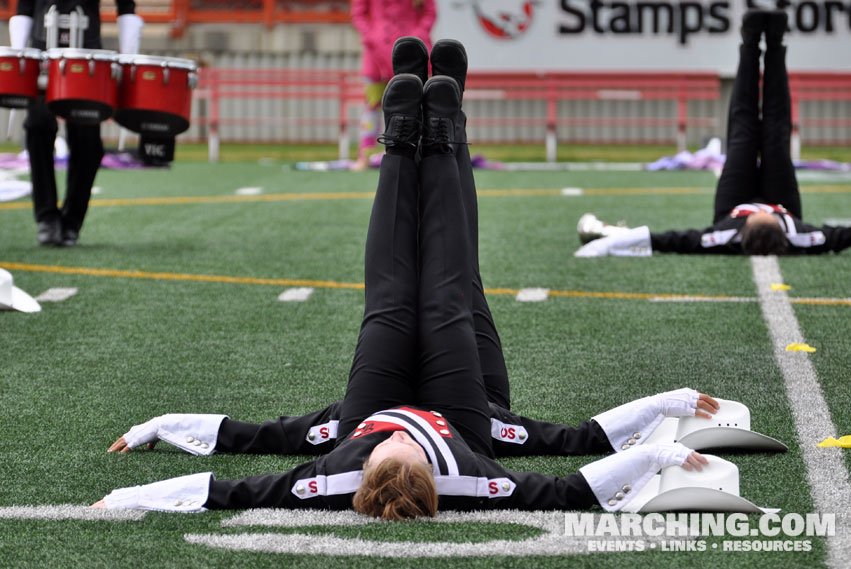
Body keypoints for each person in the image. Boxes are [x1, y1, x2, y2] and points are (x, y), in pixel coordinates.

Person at [93, 41, 710, 518]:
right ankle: (445, 129)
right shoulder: (470, 475)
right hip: (468, 415)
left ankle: (401, 138)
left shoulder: (332, 474)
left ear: (365, 461)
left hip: (365, 405)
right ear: (429, 462)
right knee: (451, 294)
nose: (400, 431)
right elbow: (573, 471)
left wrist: (154, 445)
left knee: (389, 305)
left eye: (383, 445)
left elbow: (233, 474)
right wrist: (662, 427)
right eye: (402, 443)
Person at [574, 10, 851, 258]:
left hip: (733, 203)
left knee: (743, 131)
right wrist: (779, 211)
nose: (762, 209)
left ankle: (751, 41)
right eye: (771, 216)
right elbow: (843, 236)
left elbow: (668, 241)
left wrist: (603, 246)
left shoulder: (721, 236)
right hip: (784, 199)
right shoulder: (805, 237)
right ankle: (776, 42)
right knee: (776, 133)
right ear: (783, 228)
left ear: (742, 231)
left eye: (758, 216)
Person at [9, 0, 143, 247]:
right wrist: (19, 57)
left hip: (88, 55)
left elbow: (126, 5)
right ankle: (47, 218)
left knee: (87, 140)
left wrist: (128, 60)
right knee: (37, 126)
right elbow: (25, 7)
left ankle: (72, 221)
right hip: (41, 51)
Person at [349, 0, 436, 171]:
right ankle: (365, 156)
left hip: (413, 48)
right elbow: (358, 14)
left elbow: (430, 13)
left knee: (421, 105)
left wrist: (418, 35)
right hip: (376, 52)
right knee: (372, 105)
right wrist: (371, 36)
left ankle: (424, 153)